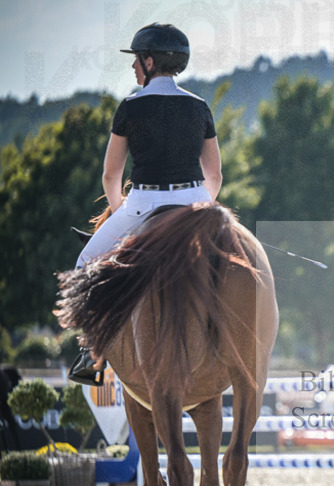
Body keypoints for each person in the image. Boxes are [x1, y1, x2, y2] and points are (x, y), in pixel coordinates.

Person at [68, 23, 222, 385]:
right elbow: (214, 175)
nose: (133, 67)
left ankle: (91, 355)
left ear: (150, 62)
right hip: (196, 201)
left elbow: (111, 175)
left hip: (144, 201)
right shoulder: (199, 107)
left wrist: (123, 213)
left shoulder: (130, 107)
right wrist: (197, 210)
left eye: (136, 60)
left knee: (84, 266)